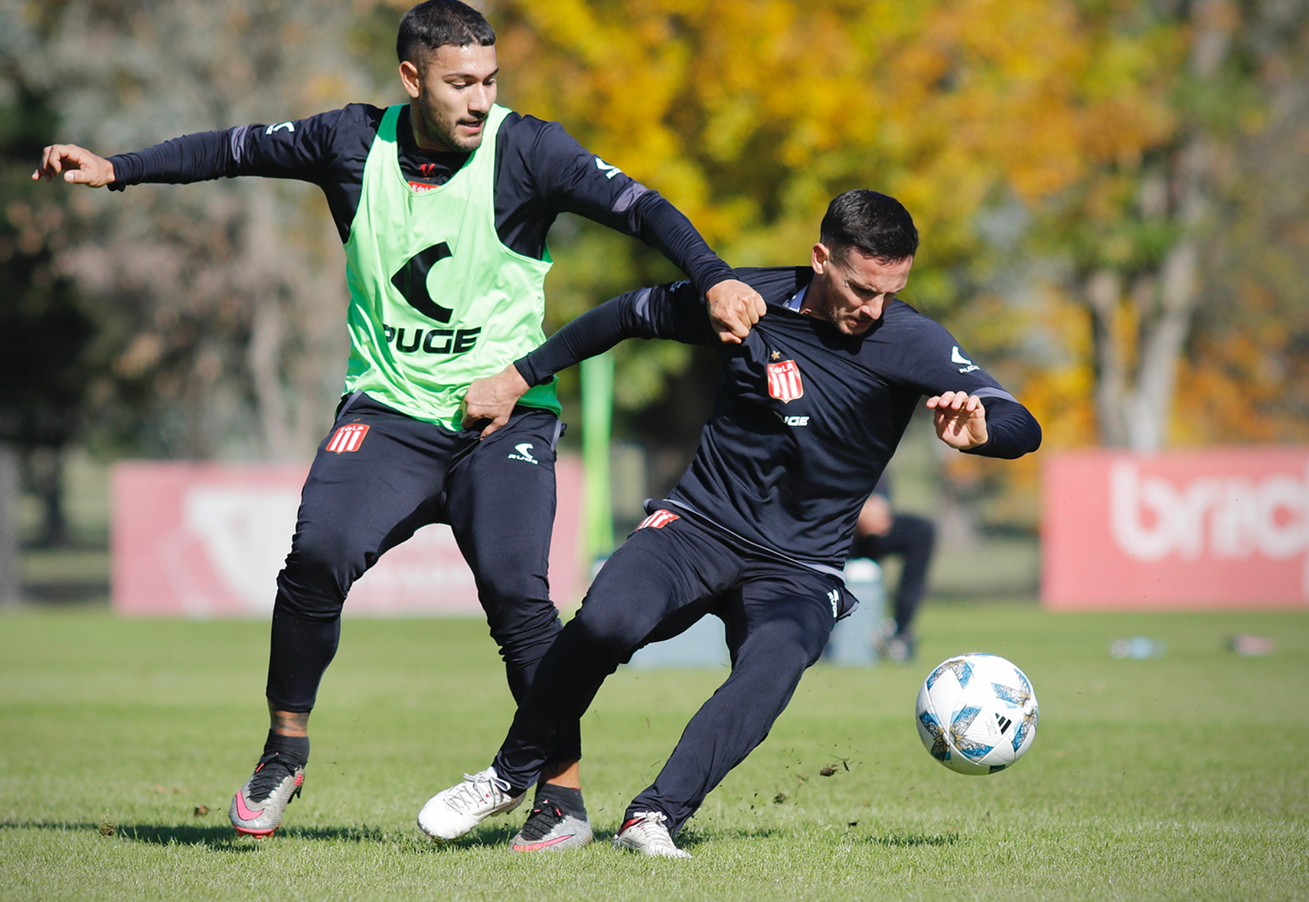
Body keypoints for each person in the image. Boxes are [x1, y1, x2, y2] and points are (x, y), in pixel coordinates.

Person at [33, 0, 765, 850]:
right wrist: (116, 168)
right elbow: (228, 150)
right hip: (388, 412)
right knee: (315, 556)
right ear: (411, 79)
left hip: (506, 416)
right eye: (460, 83)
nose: (480, 99)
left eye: (490, 80)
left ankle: (560, 801)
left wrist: (711, 275)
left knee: (519, 598)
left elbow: (643, 207)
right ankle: (285, 750)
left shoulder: (528, 149)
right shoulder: (349, 142)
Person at [418, 189, 1041, 856]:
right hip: (697, 527)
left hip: (801, 568)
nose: (873, 308)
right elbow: (626, 314)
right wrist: (518, 376)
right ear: (821, 258)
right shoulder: (745, 300)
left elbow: (1017, 419)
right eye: (861, 288)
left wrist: (981, 434)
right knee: (603, 622)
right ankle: (510, 774)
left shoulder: (909, 338)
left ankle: (653, 816)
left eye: (890, 291)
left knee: (769, 673)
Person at [853, 474, 936, 663]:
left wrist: (879, 505)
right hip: (830, 525)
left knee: (921, 532)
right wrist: (855, 509)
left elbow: (878, 472)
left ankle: (899, 631)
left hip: (868, 529)